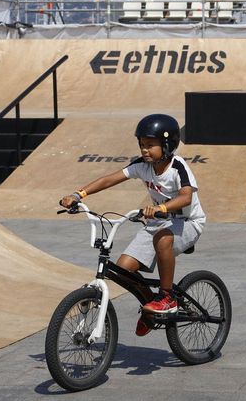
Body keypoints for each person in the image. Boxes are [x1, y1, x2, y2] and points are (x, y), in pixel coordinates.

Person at [59, 114, 205, 337]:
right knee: (124, 270)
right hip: (158, 222)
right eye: (141, 145)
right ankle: (150, 310)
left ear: (167, 145)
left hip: (187, 222)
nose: (144, 150)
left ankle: (167, 297)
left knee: (163, 239)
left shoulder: (178, 167)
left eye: (150, 145)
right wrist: (79, 194)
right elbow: (110, 179)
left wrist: (162, 208)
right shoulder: (141, 166)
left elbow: (186, 197)